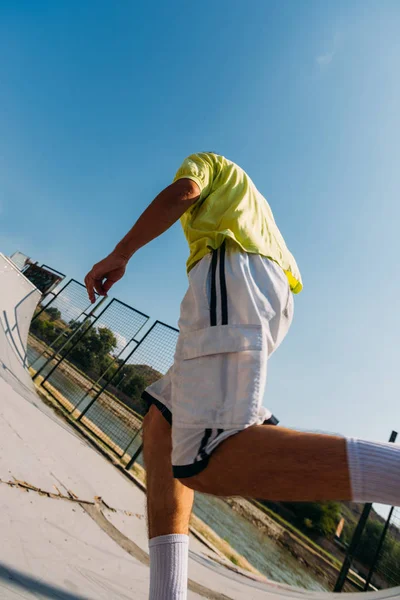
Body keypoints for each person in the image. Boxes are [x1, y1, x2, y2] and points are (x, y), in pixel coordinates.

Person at [85, 152, 400, 600]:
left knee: (208, 457)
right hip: (264, 291)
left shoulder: (207, 163)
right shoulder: (254, 204)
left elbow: (185, 192)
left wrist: (121, 253)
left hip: (233, 274)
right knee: (164, 425)